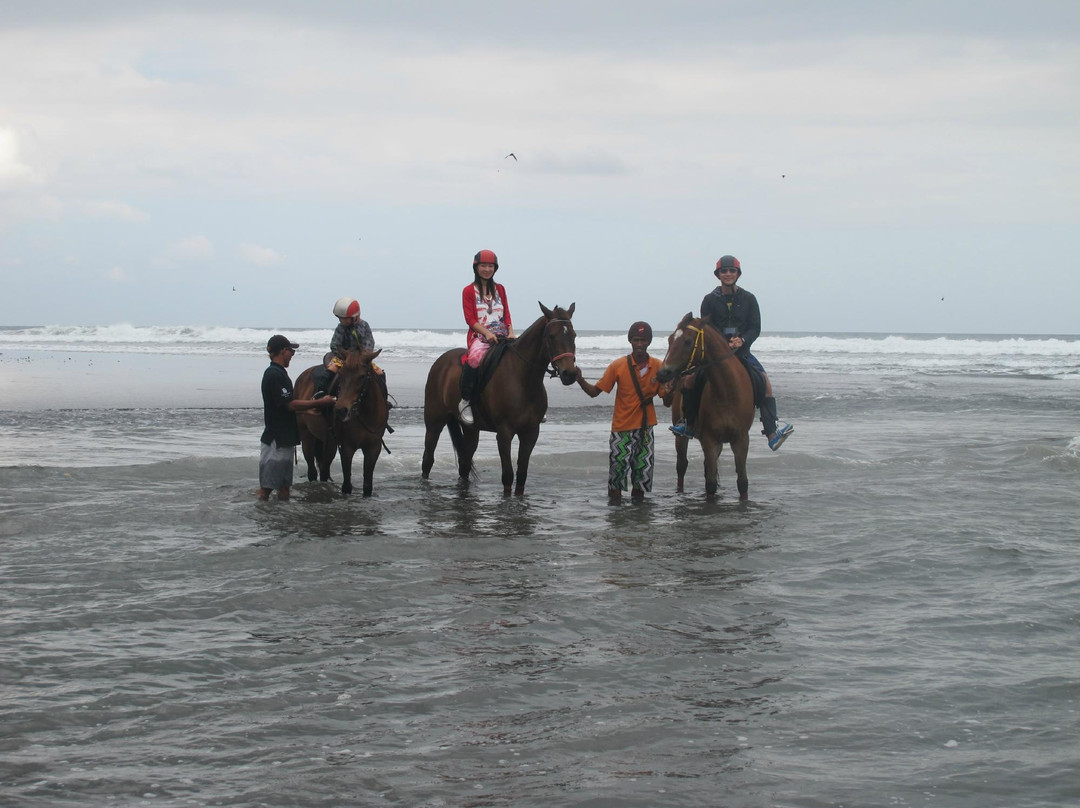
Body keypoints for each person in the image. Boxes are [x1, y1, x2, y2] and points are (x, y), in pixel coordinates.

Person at [670, 255, 794, 450]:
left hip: (742, 353)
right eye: (724, 271)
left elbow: (755, 327)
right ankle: (688, 423)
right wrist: (723, 343)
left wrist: (742, 340)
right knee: (691, 380)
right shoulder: (709, 300)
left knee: (766, 384)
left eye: (732, 271)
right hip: (715, 356)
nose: (728, 274)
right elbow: (707, 329)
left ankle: (771, 431)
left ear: (738, 274)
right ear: (718, 274)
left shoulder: (749, 299)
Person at [576, 321, 663, 500]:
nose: (639, 344)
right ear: (630, 340)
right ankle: (615, 511)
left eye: (643, 340)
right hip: (621, 428)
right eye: (636, 340)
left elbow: (667, 401)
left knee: (642, 476)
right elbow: (594, 392)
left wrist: (673, 385)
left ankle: (638, 513)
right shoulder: (618, 365)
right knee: (616, 477)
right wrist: (580, 379)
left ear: (649, 342)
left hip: (646, 429)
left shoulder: (658, 366)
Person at [259, 334, 336, 501]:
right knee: (266, 488)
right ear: (282, 351)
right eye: (291, 351)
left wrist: (306, 413)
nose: (292, 355)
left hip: (284, 439)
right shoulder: (275, 375)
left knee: (284, 488)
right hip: (276, 440)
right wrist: (320, 402)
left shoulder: (279, 373)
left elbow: (282, 407)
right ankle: (262, 515)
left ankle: (279, 516)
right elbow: (290, 404)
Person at [458, 249, 515, 425]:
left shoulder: (500, 289)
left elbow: (506, 313)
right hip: (480, 335)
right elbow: (470, 319)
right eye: (483, 265)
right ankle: (465, 400)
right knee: (475, 358)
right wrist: (487, 333)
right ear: (476, 267)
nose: (487, 269)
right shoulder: (468, 291)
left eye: (490, 266)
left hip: (503, 334)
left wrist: (511, 331)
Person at [313, 297, 393, 414]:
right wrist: (345, 356)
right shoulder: (340, 328)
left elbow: (369, 343)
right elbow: (335, 344)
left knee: (379, 372)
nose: (341, 320)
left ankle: (383, 399)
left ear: (355, 317)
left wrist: (363, 356)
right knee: (331, 369)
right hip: (343, 358)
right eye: (339, 318)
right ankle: (320, 395)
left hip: (361, 359)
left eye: (344, 318)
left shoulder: (364, 326)